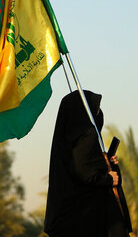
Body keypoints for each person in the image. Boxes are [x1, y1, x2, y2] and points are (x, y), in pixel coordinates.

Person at [44, 90, 132, 237]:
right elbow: (83, 171)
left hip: (68, 220)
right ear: (84, 111)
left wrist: (106, 162)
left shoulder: (65, 140)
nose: (98, 112)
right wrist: (108, 178)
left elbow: (82, 165)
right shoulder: (86, 135)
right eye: (95, 108)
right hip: (89, 220)